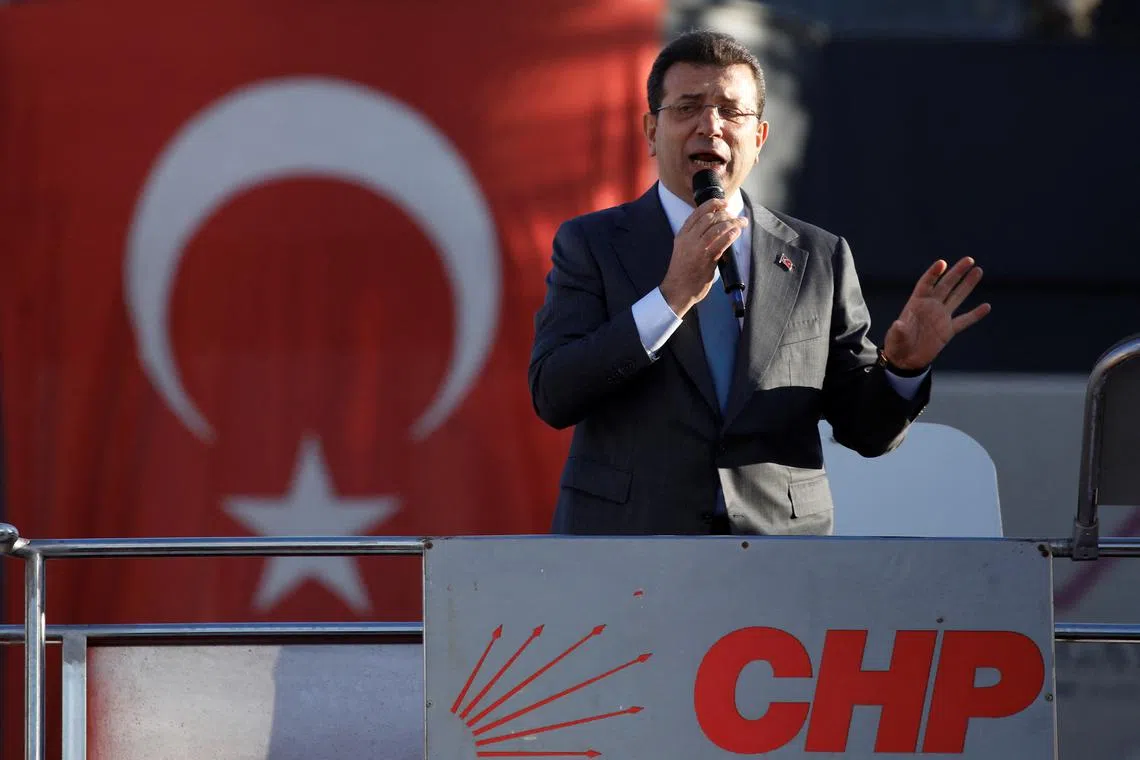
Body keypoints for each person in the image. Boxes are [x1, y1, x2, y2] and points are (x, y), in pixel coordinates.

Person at [528, 30, 990, 536]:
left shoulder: (820, 256)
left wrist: (903, 366)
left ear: (760, 137)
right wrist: (670, 298)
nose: (710, 126)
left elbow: (867, 431)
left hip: (778, 560)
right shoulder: (591, 243)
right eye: (687, 108)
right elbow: (555, 394)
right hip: (630, 545)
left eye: (731, 111)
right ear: (651, 131)